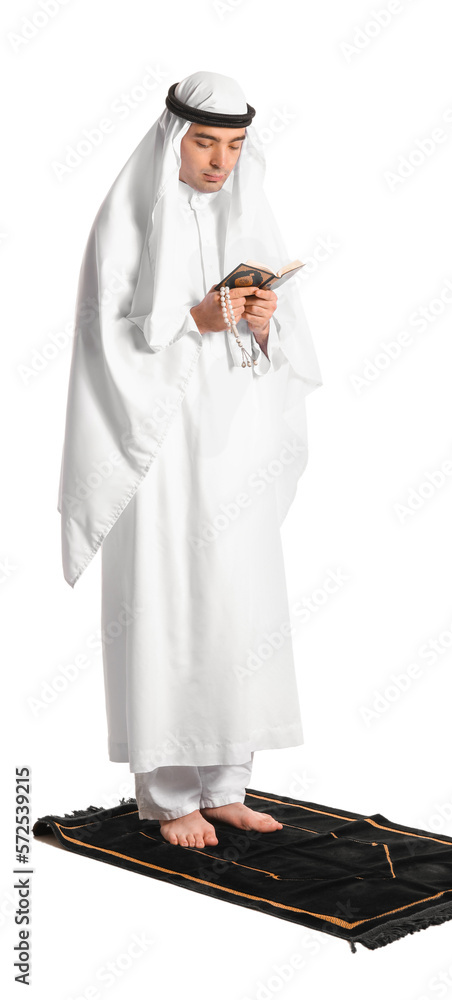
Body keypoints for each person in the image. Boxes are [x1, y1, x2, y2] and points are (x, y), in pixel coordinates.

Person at [57, 71, 323, 849]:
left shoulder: (247, 214)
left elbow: (285, 353)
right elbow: (106, 338)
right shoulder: (130, 217)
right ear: (175, 137)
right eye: (205, 142)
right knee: (169, 598)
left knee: (236, 602)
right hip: (161, 449)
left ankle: (226, 783)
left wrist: (266, 322)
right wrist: (191, 319)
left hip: (232, 445)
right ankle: (169, 793)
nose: (219, 161)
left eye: (234, 146)